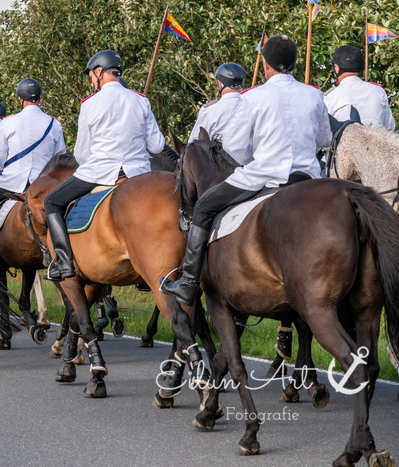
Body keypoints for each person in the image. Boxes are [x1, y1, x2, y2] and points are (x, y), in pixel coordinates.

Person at [161, 34, 332, 305]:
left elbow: (238, 149)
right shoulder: (314, 94)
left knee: (203, 207)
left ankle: (188, 283)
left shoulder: (253, 96)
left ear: (266, 65)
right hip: (308, 178)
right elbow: (324, 140)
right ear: (294, 63)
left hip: (264, 176)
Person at [44, 51, 165, 280]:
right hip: (138, 174)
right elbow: (157, 146)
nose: (91, 80)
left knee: (52, 202)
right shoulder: (141, 100)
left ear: (100, 72)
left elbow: (81, 154)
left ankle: (64, 264)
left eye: (91, 75)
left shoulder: (89, 104)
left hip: (99, 172)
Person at [0, 79, 66, 263]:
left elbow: (1, 156)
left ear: (20, 99)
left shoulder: (8, 122)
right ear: (40, 98)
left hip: (13, 181)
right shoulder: (54, 124)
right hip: (44, 184)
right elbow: (60, 156)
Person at [188, 62, 254, 165]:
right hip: (251, 168)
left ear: (220, 84)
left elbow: (192, 145)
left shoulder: (209, 110)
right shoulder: (254, 106)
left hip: (220, 170)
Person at [322, 44, 396, 130]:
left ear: (336, 68)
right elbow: (390, 127)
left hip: (349, 139)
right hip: (379, 138)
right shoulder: (378, 91)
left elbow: (323, 131)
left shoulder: (330, 97)